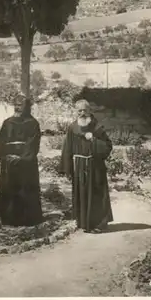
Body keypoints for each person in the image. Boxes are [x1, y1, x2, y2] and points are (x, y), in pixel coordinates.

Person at [60, 99, 113, 233]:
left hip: (94, 166)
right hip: (79, 166)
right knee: (81, 194)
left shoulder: (97, 127)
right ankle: (83, 222)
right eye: (80, 110)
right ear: (76, 112)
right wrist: (67, 169)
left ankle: (98, 224)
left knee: (95, 194)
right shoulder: (72, 128)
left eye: (85, 110)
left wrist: (94, 140)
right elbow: (67, 148)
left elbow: (108, 146)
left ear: (89, 111)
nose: (82, 113)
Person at [0, 93, 43, 227]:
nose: (18, 108)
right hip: (9, 163)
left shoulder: (33, 123)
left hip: (25, 164)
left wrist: (21, 158)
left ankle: (28, 220)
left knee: (26, 190)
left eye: (21, 105)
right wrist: (5, 157)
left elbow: (33, 144)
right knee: (8, 190)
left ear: (27, 107)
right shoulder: (7, 123)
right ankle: (8, 219)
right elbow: (0, 142)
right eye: (16, 105)